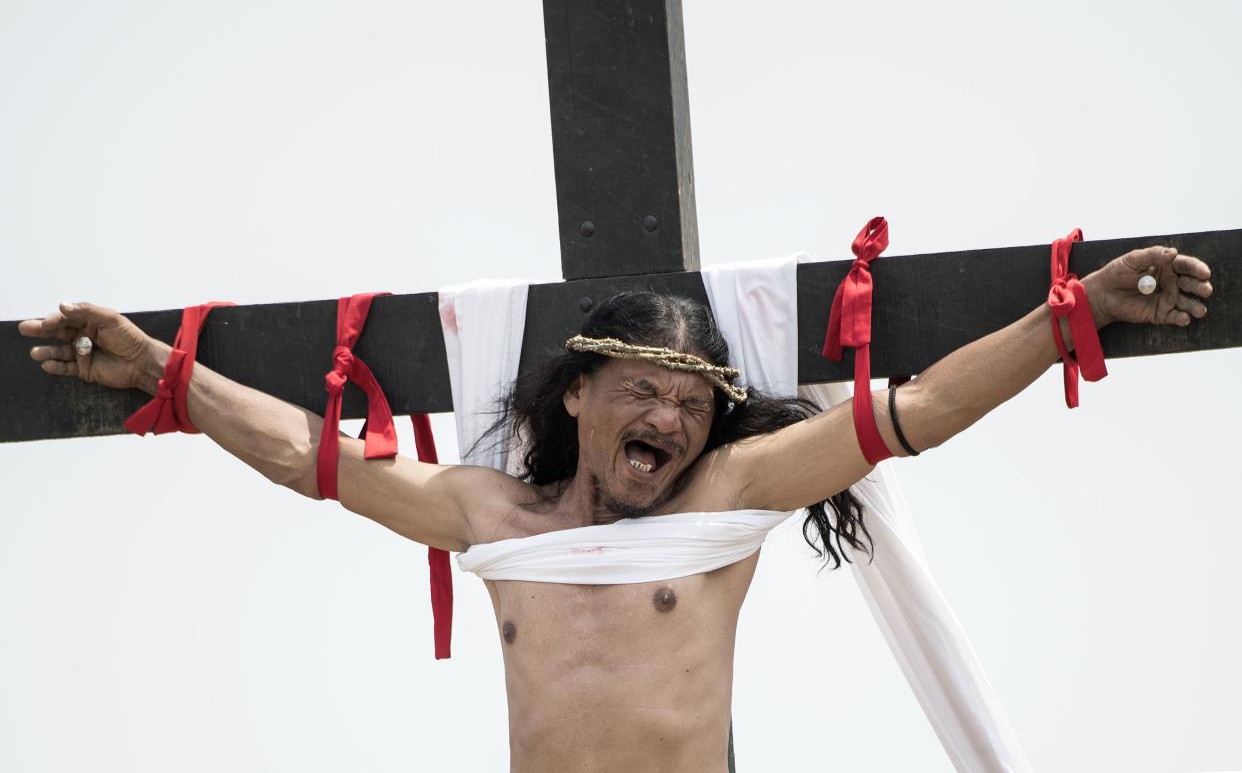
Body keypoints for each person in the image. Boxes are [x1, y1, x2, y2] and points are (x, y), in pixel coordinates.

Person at [19, 244, 1212, 773]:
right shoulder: (490, 512)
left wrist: (1075, 314)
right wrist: (161, 370)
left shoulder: (734, 490)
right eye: (643, 392)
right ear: (578, 396)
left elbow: (924, 408)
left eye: (694, 404)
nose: (674, 422)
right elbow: (303, 453)